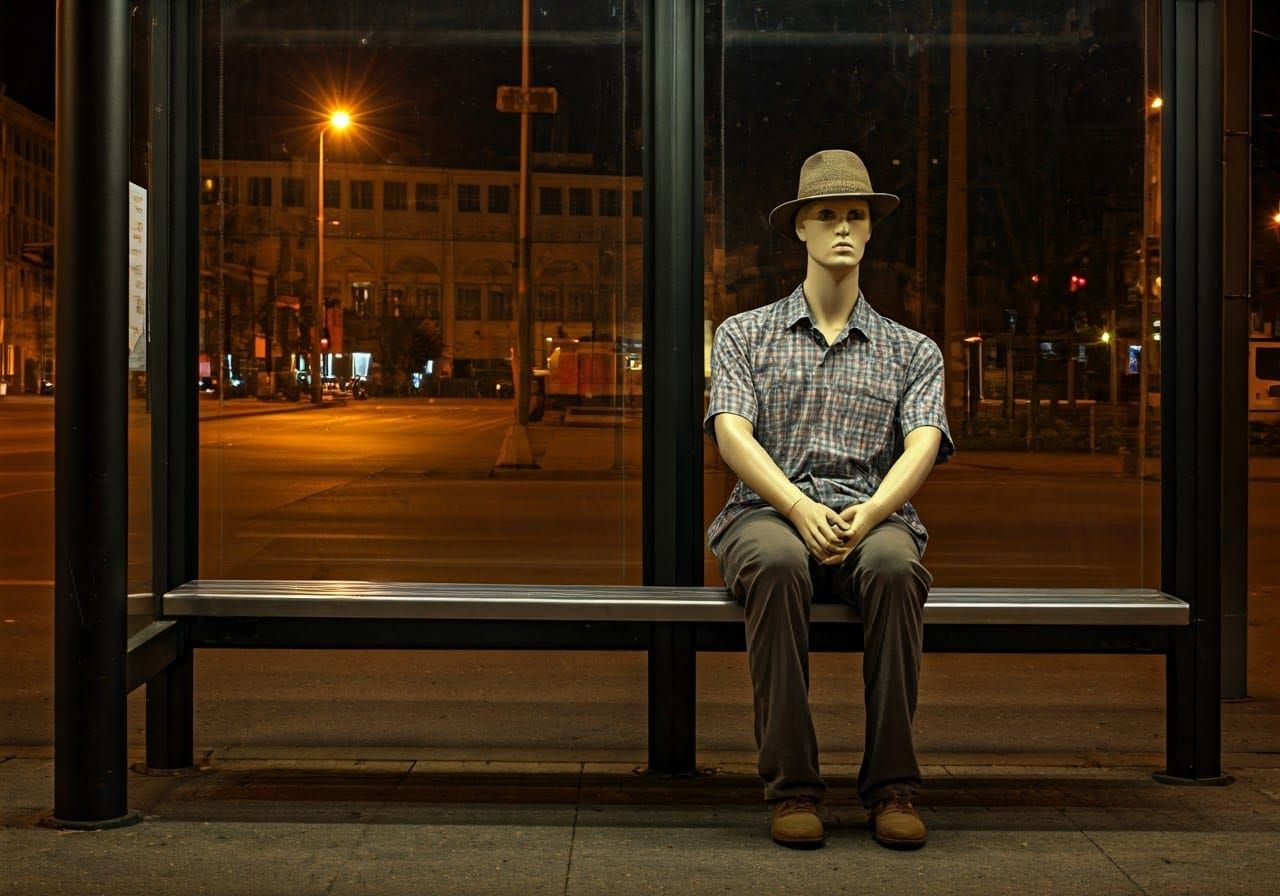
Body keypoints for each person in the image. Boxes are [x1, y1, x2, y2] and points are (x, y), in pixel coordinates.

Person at [704, 149, 954, 850]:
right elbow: (731, 432)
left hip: (872, 512)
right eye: (826, 215)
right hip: (766, 513)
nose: (843, 228)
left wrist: (872, 513)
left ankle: (893, 785)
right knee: (779, 566)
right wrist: (793, 506)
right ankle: (792, 789)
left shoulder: (912, 350)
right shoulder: (744, 335)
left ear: (871, 231)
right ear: (801, 232)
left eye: (855, 215)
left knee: (897, 569)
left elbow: (923, 442)